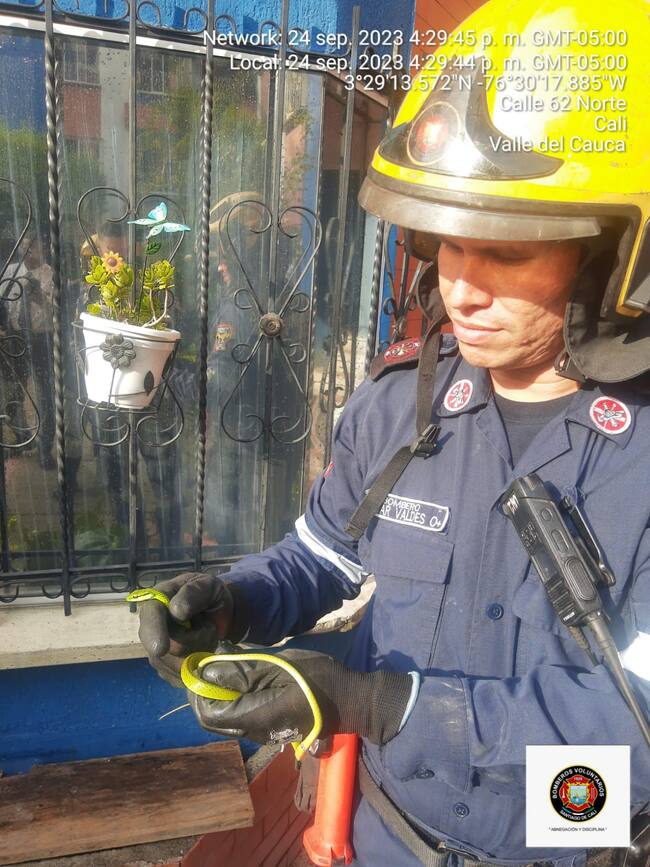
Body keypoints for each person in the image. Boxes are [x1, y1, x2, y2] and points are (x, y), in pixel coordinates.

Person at [136, 1, 650, 864]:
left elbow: (638, 726)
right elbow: (323, 555)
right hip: (387, 838)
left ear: (609, 258)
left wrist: (379, 705)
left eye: (507, 253)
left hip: (570, 842)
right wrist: (231, 601)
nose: (463, 289)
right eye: (450, 246)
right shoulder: (396, 408)